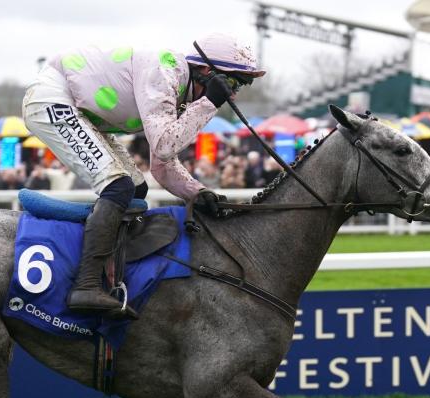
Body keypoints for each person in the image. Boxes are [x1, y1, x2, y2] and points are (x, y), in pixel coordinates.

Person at [22, 32, 265, 317]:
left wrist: (197, 193)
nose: (232, 94)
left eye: (240, 86)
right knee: (119, 186)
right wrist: (209, 102)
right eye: (233, 82)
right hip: (53, 100)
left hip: (81, 111)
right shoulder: (166, 70)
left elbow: (161, 164)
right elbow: (164, 146)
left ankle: (111, 274)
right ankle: (86, 284)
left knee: (137, 188)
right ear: (207, 72)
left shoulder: (189, 91)